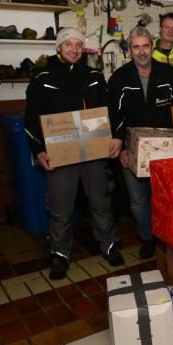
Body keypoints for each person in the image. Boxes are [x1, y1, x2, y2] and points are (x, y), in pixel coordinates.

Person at [23, 27, 124, 280]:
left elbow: (111, 111)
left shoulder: (94, 76)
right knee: (60, 208)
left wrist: (118, 137)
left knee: (101, 202)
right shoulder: (42, 78)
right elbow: (32, 119)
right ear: (58, 47)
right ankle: (59, 254)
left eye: (78, 44)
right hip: (60, 155)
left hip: (94, 153)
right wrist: (39, 150)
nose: (74, 49)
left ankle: (109, 245)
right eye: (68, 44)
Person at [107, 26, 173, 258]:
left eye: (145, 46)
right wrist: (123, 147)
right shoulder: (119, 79)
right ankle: (147, 237)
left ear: (152, 47)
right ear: (129, 49)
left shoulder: (169, 74)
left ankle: (166, 237)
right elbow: (114, 116)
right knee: (137, 201)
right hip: (132, 149)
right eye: (136, 46)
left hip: (166, 149)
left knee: (165, 196)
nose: (142, 51)